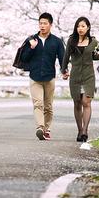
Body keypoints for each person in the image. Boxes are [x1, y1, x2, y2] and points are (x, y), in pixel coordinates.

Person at [19, 12, 65, 141]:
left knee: (48, 106)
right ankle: (40, 128)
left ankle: (47, 129)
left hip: (49, 77)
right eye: (40, 23)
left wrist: (64, 70)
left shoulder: (56, 41)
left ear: (50, 25)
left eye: (45, 23)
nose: (42, 26)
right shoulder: (31, 39)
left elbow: (62, 58)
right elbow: (23, 58)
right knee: (38, 104)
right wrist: (31, 48)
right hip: (35, 77)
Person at [61, 17, 99, 143]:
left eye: (83, 26)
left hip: (88, 76)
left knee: (86, 102)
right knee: (77, 103)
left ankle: (85, 131)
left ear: (88, 27)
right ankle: (79, 130)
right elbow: (66, 57)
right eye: (78, 26)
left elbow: (95, 56)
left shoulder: (94, 42)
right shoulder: (71, 41)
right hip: (75, 75)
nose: (80, 28)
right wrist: (64, 70)